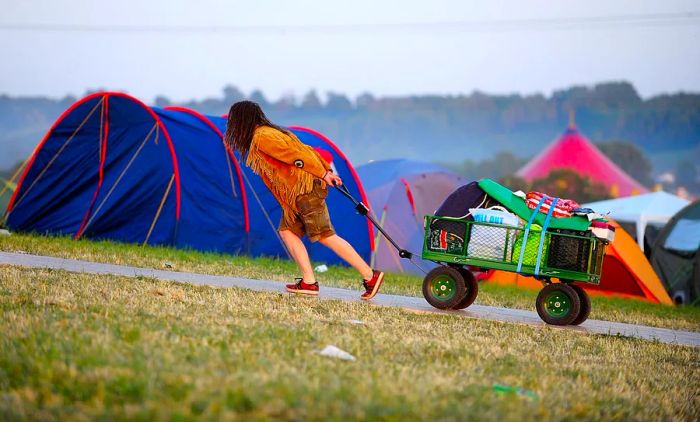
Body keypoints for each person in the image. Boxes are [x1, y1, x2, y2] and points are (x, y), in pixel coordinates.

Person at [224, 101, 384, 299]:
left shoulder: (262, 137)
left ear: (243, 119)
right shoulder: (269, 132)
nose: (230, 122)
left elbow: (296, 156)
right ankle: (308, 282)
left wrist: (324, 174)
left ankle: (370, 276)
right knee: (288, 232)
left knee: (325, 235)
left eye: (233, 118)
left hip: (305, 190)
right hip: (297, 195)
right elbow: (308, 150)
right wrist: (326, 171)